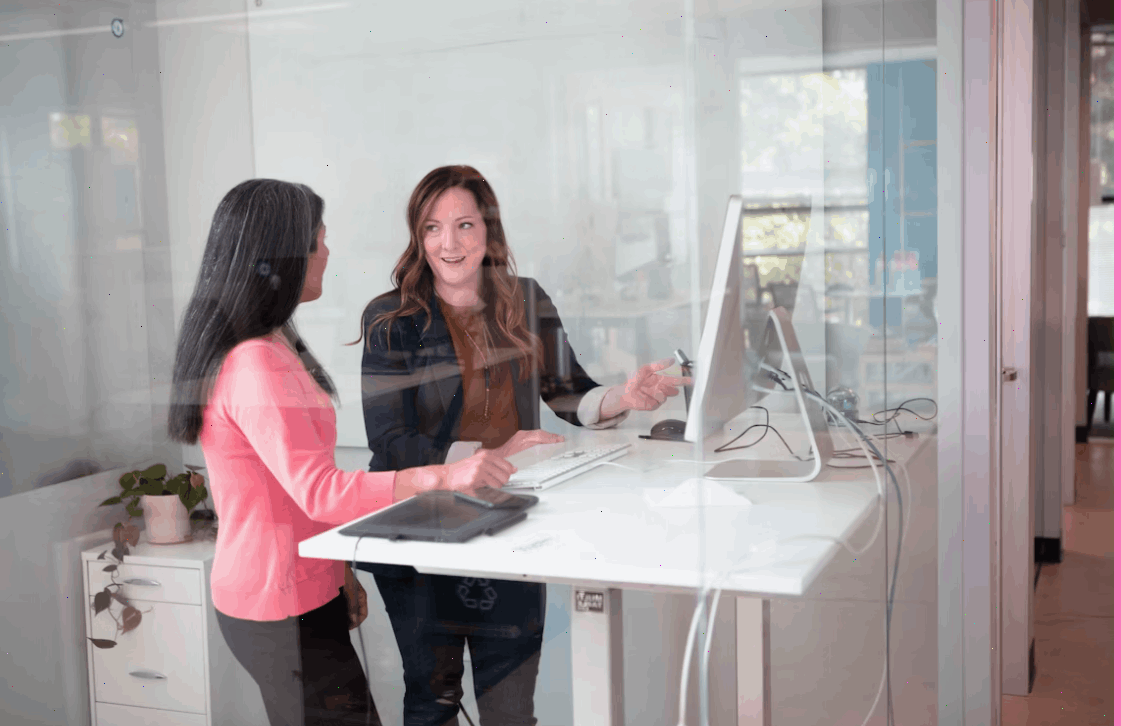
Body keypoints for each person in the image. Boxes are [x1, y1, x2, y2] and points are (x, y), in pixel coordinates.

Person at [167, 179, 516, 726]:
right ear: (280, 257)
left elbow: (295, 488)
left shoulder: (274, 341)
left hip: (300, 588)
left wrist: (338, 573)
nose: (326, 252)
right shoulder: (255, 361)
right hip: (278, 602)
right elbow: (320, 490)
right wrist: (444, 476)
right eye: (318, 241)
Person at [355, 165, 688, 725]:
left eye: (464, 225)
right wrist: (486, 455)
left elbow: (568, 392)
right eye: (433, 228)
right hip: (422, 522)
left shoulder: (525, 298)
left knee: (510, 709)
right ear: (418, 235)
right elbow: (390, 442)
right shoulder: (391, 318)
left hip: (507, 522)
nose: (449, 243)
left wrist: (623, 396)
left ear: (488, 230)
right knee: (432, 701)